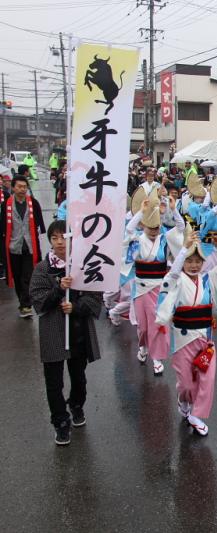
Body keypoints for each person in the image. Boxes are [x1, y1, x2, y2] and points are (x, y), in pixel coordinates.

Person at [156, 228, 217, 436]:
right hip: (182, 340)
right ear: (183, 262)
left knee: (206, 379)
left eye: (198, 261)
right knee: (186, 384)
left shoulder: (208, 280)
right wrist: (183, 249)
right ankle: (183, 399)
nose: (194, 265)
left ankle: (196, 415)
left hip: (205, 339)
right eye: (189, 261)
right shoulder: (176, 281)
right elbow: (172, 274)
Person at [29, 220, 102, 446]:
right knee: (54, 382)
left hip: (77, 332)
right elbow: (38, 301)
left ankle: (77, 405)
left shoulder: (83, 266)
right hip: (53, 332)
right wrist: (58, 289)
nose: (60, 242)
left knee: (79, 377)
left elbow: (95, 299)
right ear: (50, 241)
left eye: (64, 237)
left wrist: (76, 307)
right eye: (55, 238)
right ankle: (60, 422)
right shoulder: (42, 269)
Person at [126, 188, 185, 375]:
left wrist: (174, 210)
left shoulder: (164, 239)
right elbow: (128, 230)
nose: (153, 231)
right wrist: (141, 212)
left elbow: (181, 228)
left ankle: (157, 358)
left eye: (156, 227)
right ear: (143, 226)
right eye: (150, 227)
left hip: (160, 289)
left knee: (159, 324)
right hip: (141, 289)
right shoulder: (138, 239)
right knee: (143, 327)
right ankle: (143, 346)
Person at [1, 176, 46, 317]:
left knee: (27, 276)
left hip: (29, 246)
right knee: (17, 276)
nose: (22, 189)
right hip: (13, 246)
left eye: (25, 187)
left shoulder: (33, 202)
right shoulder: (6, 204)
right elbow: (2, 226)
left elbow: (40, 224)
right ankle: (23, 303)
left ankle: (26, 305)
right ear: (13, 188)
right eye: (19, 186)